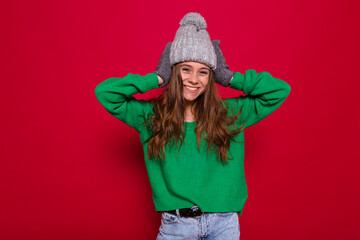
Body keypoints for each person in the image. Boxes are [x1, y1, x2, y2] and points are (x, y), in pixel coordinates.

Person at [95, 12, 291, 240]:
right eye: (185, 69)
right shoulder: (150, 116)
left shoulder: (231, 114)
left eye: (204, 72)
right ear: (173, 71)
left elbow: (279, 90)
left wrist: (228, 77)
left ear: (211, 77)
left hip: (224, 225)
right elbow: (105, 92)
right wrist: (157, 78)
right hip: (176, 226)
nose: (194, 80)